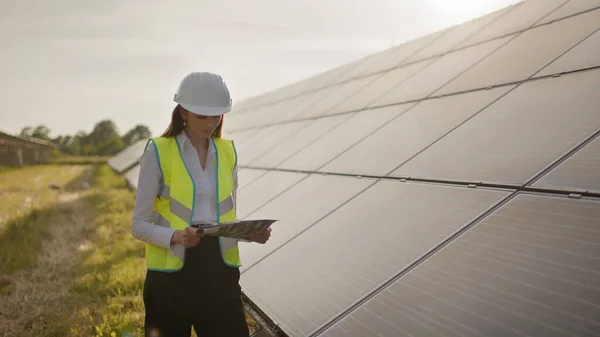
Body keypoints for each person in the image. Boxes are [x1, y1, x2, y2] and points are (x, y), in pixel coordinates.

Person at [131, 71, 272, 337]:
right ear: (183, 112)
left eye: (216, 115)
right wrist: (176, 237)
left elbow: (223, 216)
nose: (210, 123)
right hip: (170, 278)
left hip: (220, 273)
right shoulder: (158, 151)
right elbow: (138, 225)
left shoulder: (228, 152)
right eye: (201, 116)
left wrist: (247, 233)